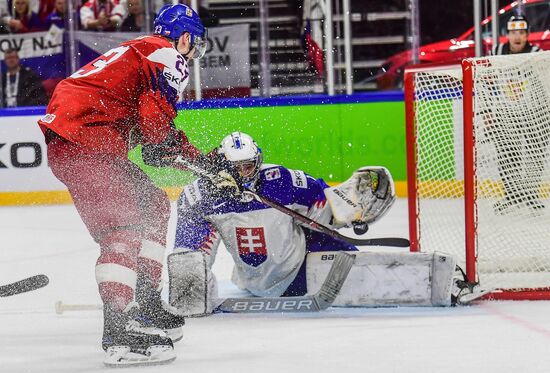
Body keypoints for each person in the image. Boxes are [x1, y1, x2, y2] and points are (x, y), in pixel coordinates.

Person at [37, 4, 237, 367]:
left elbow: (155, 139)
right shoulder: (168, 54)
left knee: (153, 203)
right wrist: (205, 164)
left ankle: (144, 304)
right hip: (86, 139)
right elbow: (158, 136)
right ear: (186, 37)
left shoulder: (141, 49)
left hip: (82, 137)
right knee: (124, 227)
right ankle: (119, 330)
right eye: (196, 45)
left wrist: (198, 162)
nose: (194, 54)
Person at [169, 132, 397, 315]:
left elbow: (325, 207)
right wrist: (192, 291)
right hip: (264, 281)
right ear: (223, 165)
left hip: (298, 266)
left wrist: (351, 209)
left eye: (248, 166)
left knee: (344, 255)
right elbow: (189, 258)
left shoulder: (281, 180)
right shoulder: (200, 196)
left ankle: (383, 276)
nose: (245, 174)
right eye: (237, 169)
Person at [488, 14, 547, 214]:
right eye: (513, 32)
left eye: (521, 32)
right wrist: (487, 111)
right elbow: (485, 81)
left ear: (527, 35)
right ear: (507, 35)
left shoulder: (537, 52)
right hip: (505, 115)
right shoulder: (496, 51)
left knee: (534, 156)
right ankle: (511, 195)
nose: (517, 37)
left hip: (533, 114)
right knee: (507, 157)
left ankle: (531, 195)